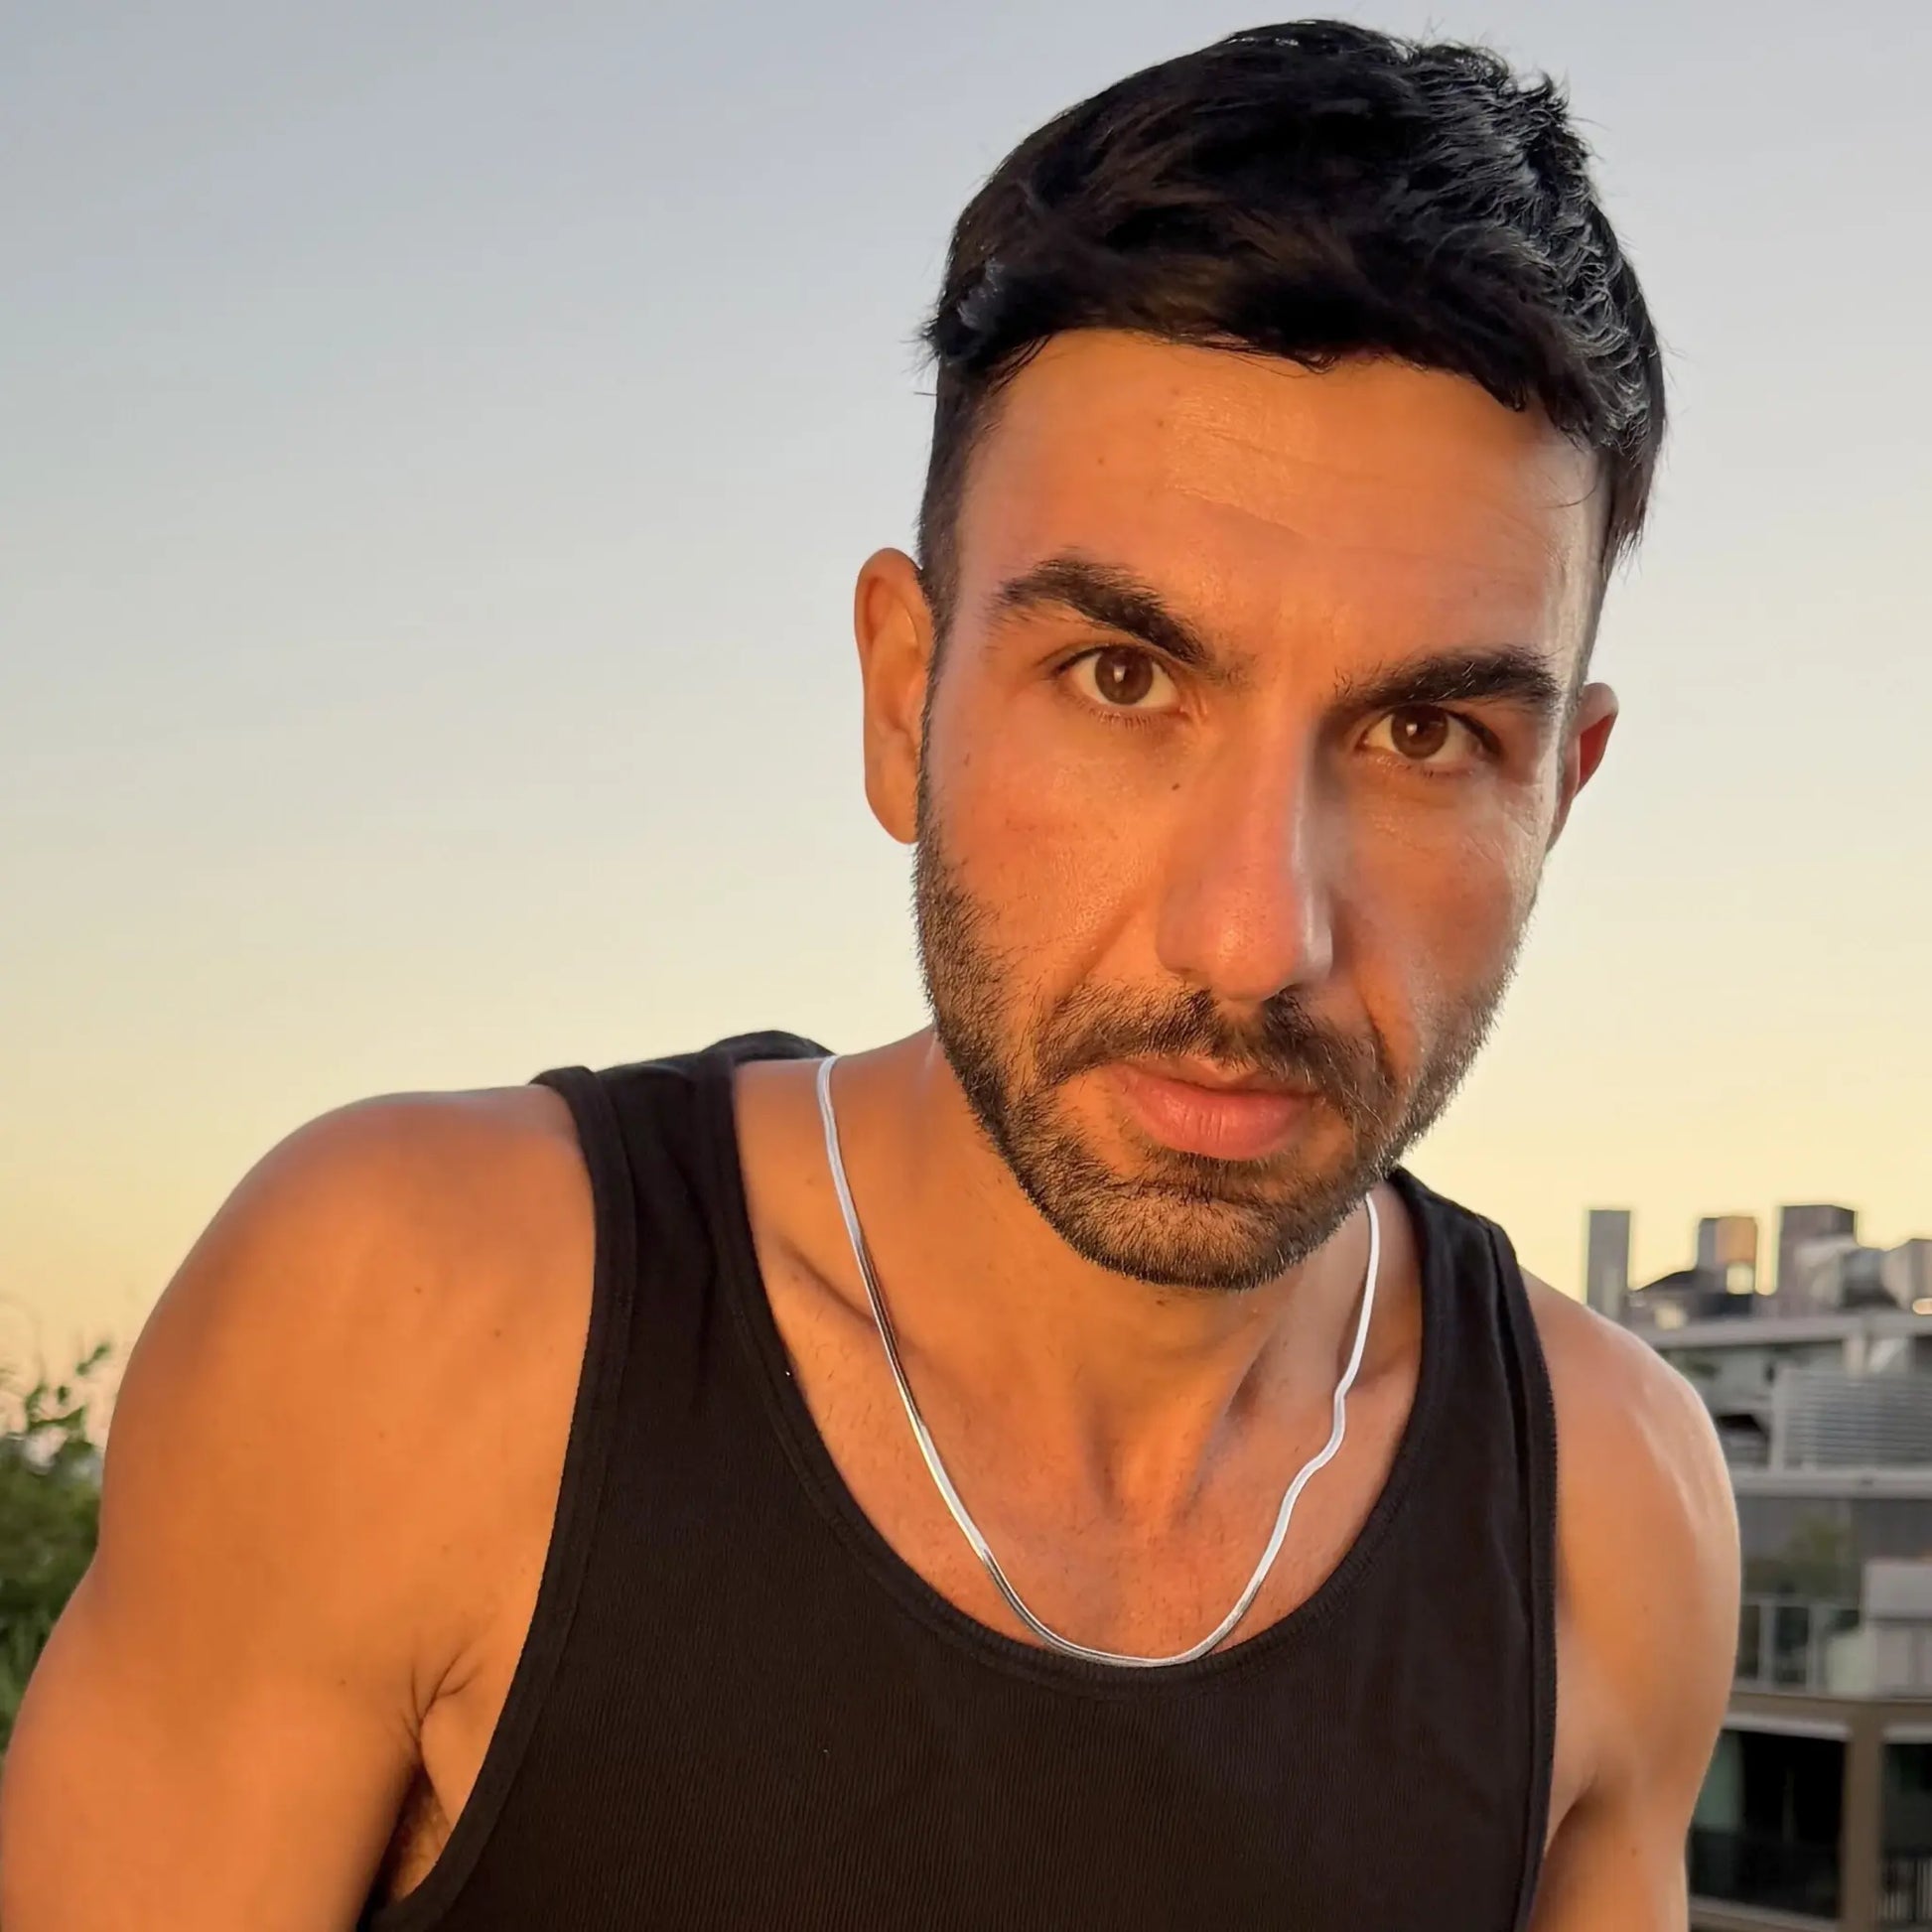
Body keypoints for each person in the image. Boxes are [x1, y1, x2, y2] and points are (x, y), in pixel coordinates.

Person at [0, 20, 1740, 1930]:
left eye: (1423, 736)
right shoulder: (417, 1321)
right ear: (902, 689)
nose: (1254, 937)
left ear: (1556, 789)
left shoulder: (1609, 1506)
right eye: (1121, 680)